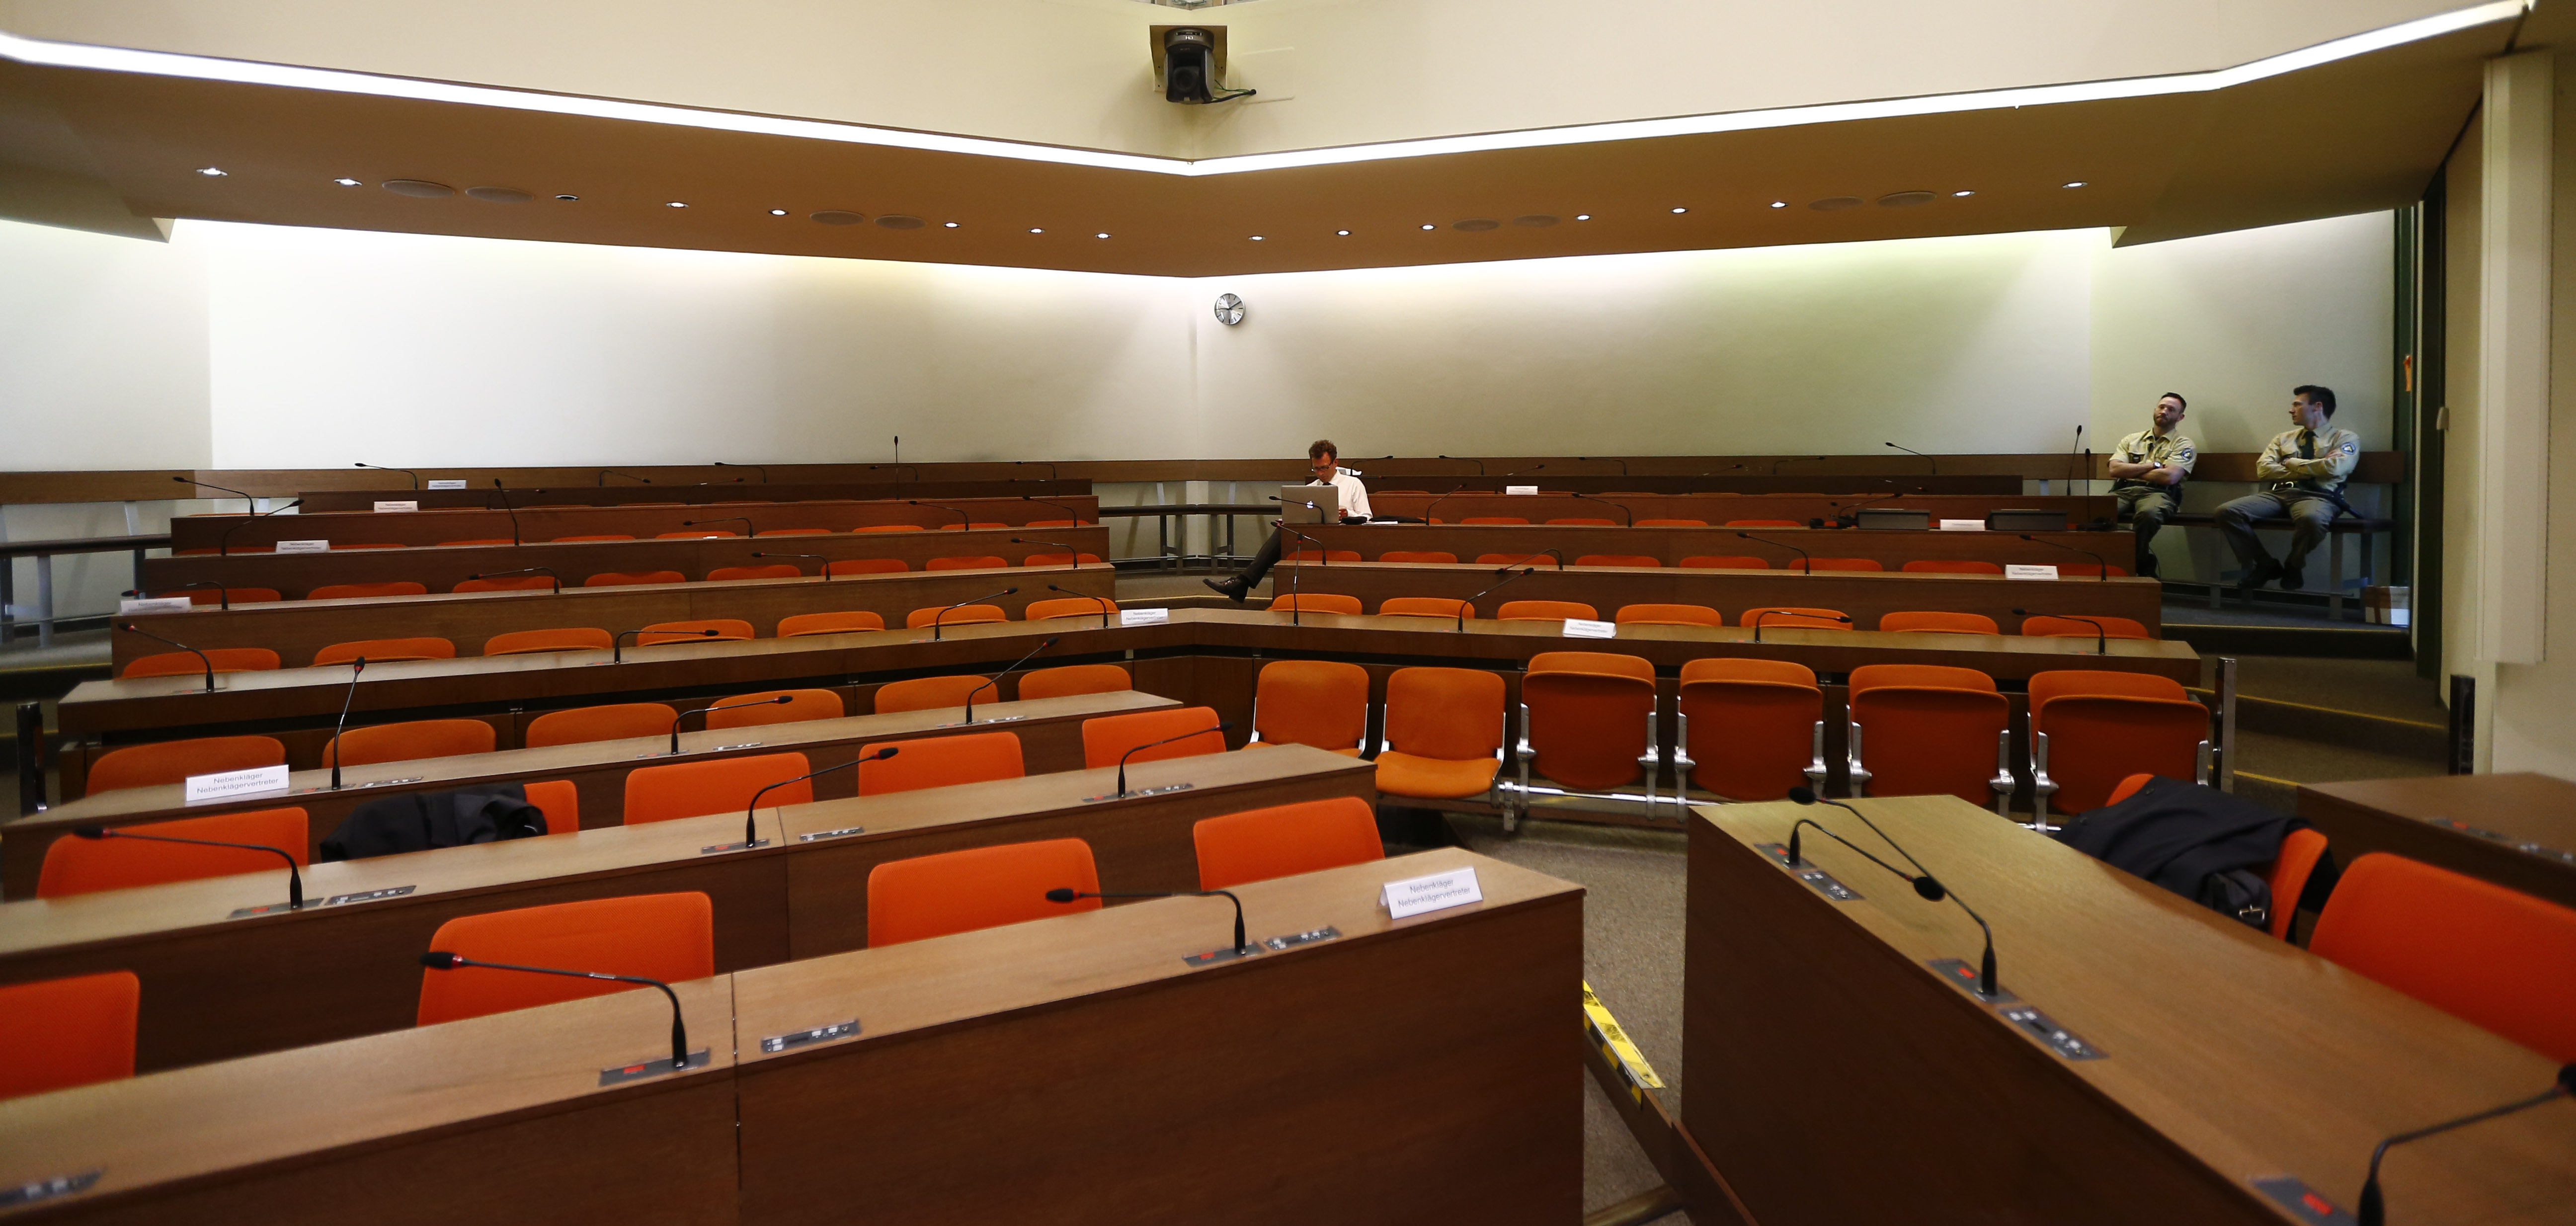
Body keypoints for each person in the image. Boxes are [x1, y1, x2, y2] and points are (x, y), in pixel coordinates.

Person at [2216, 385, 2359, 592]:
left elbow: (2337, 467)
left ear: (2317, 407)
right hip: (2279, 494)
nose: (2291, 410)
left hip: (2319, 496)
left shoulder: (2345, 438)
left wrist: (2291, 463)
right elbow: (2264, 470)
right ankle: (2266, 565)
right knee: (2227, 512)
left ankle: (2294, 565)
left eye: (2297, 405)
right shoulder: (2283, 438)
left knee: (2312, 520)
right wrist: (2317, 467)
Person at [1203, 439, 1373, 602]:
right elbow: (1301, 516)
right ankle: (1243, 583)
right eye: (1316, 469)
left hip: (1342, 538)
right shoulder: (1310, 489)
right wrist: (1288, 520)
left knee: (1282, 536)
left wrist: (1347, 513)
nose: (1321, 473)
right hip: (1314, 538)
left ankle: (1242, 583)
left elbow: (1367, 517)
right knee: (1283, 530)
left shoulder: (1353, 484)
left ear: (1335, 463)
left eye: (1324, 468)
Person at [2106, 393, 2196, 578]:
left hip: (2159, 493)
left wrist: (2132, 469)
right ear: (2155, 409)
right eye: (2161, 407)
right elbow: (2115, 470)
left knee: (2149, 514)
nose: (2164, 411)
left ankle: (2131, 564)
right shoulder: (2131, 440)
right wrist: (2153, 466)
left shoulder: (2184, 444)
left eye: (2171, 409)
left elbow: (2170, 477)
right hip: (2124, 490)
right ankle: (2142, 562)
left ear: (2180, 417)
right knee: (2093, 513)